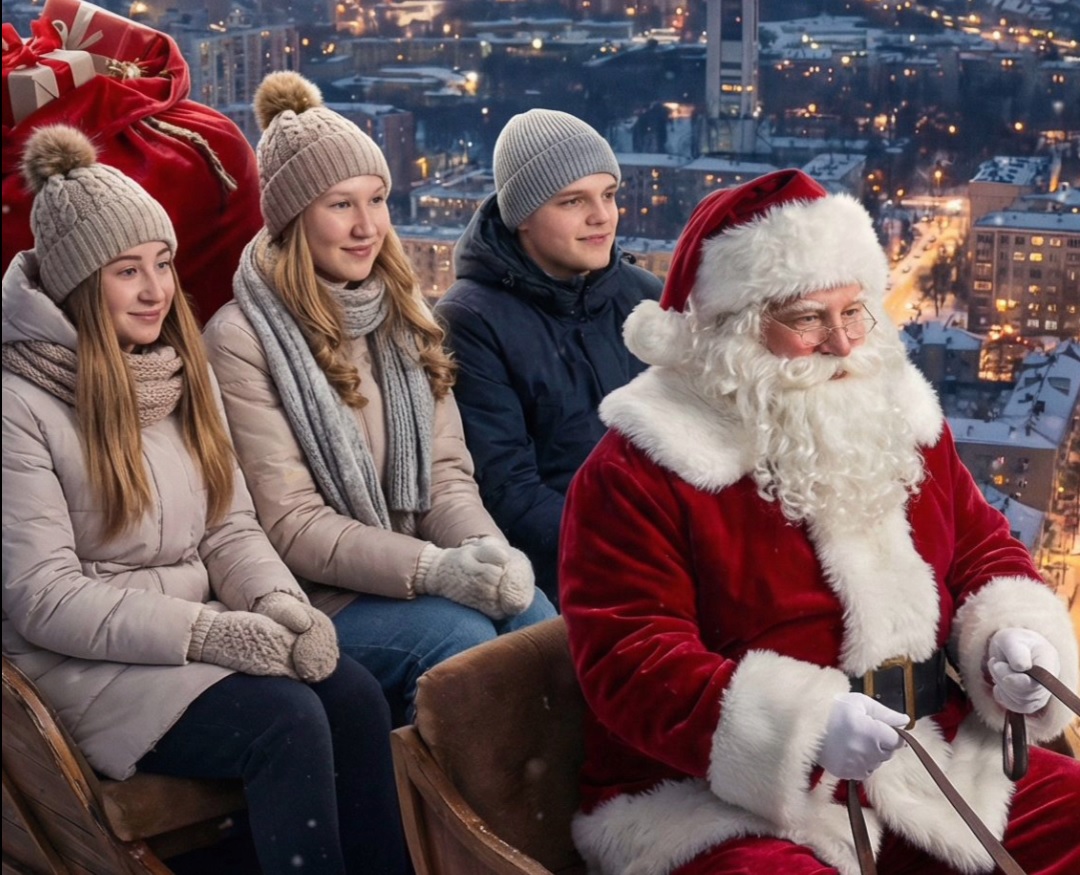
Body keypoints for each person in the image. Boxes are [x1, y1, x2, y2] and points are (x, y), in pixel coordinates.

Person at [558, 169, 1079, 875]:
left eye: (855, 310)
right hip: (720, 798)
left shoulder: (899, 414)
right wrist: (804, 731)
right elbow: (631, 656)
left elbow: (980, 547)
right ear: (733, 330)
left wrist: (1012, 636)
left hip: (931, 753)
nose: (842, 341)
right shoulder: (639, 469)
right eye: (807, 317)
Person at [1, 126, 410, 875]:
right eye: (128, 271)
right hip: (83, 665)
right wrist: (208, 635)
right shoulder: (19, 403)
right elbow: (41, 596)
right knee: (284, 721)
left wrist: (282, 605)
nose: (158, 290)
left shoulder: (178, 370)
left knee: (350, 694)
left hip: (197, 636)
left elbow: (230, 526)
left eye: (162, 263)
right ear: (77, 284)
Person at [203, 72, 555, 724]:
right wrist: (436, 570)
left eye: (378, 199)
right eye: (341, 205)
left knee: (538, 619)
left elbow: (446, 478)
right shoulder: (241, 338)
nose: (367, 226)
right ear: (292, 217)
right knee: (460, 644)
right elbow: (293, 525)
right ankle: (434, 821)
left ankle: (548, 813)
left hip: (415, 563)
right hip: (318, 595)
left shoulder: (403, 315)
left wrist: (484, 554)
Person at [435, 109, 662, 606]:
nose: (601, 215)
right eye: (573, 201)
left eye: (608, 194)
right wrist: (634, 557)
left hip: (669, 552)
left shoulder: (644, 297)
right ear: (523, 219)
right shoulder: (471, 320)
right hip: (565, 579)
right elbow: (509, 494)